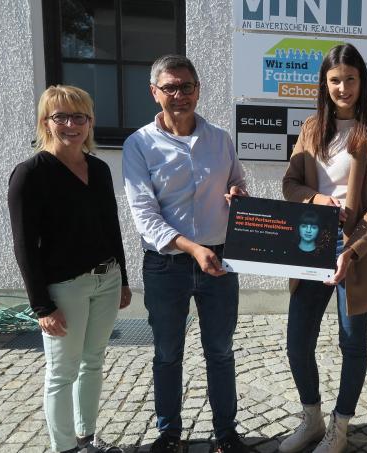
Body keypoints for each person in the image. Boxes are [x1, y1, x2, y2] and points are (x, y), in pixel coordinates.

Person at [122, 55, 248, 453]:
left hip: (220, 259)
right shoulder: (139, 144)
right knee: (166, 352)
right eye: (170, 88)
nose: (179, 95)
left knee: (221, 351)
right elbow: (145, 215)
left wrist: (238, 195)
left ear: (198, 89)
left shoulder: (220, 139)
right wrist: (192, 248)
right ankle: (170, 434)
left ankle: (226, 435)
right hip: (166, 266)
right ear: (154, 93)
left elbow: (236, 181)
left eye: (186, 86)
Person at [280, 43, 367, 453]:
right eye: (334, 80)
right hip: (312, 247)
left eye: (350, 79)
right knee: (297, 340)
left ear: (361, 81)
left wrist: (352, 251)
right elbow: (289, 184)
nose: (342, 87)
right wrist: (316, 200)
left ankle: (340, 427)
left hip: (355, 252)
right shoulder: (312, 129)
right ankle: (311, 418)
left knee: (352, 344)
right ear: (324, 84)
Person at [9, 85, 131, 453]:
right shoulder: (30, 174)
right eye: (61, 116)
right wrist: (42, 305)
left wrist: (123, 278)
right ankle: (64, 448)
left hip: (106, 281)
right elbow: (24, 246)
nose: (72, 124)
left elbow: (111, 226)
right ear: (46, 122)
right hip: (65, 288)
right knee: (62, 374)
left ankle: (87, 437)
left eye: (80, 116)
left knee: (93, 362)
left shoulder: (98, 168)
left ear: (90, 122)